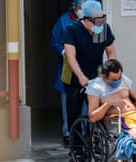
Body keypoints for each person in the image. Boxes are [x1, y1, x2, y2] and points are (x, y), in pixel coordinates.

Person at [62, 0, 116, 135]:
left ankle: (94, 141)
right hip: (74, 76)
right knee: (74, 112)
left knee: (96, 112)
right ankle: (76, 147)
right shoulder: (72, 30)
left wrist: (112, 71)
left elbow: (110, 52)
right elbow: (71, 57)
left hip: (95, 75)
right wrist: (80, 76)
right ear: (86, 20)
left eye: (102, 19)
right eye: (97, 20)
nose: (101, 23)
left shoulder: (103, 29)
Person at [51, 0, 87, 147]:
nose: (81, 10)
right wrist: (64, 52)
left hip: (86, 67)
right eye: (79, 7)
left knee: (85, 101)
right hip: (67, 68)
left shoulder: (90, 21)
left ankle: (84, 133)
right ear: (74, 7)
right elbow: (55, 41)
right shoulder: (63, 21)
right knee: (69, 102)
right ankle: (68, 133)